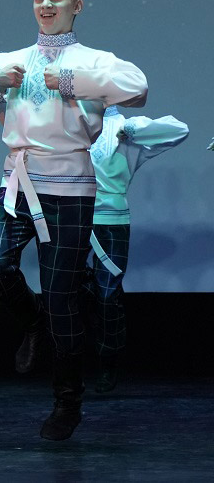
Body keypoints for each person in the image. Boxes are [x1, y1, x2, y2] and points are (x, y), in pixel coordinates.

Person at [0, 0, 148, 440]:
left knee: (62, 300)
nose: (46, 5)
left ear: (77, 5)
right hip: (18, 181)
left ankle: (67, 402)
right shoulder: (12, 59)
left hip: (71, 188)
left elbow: (137, 88)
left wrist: (70, 79)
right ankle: (32, 321)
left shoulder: (94, 60)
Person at [82, 107, 187, 392]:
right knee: (69, 289)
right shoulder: (72, 121)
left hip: (111, 219)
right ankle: (69, 360)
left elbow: (179, 130)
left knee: (107, 294)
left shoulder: (126, 126)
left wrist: (131, 131)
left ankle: (108, 361)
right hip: (72, 214)